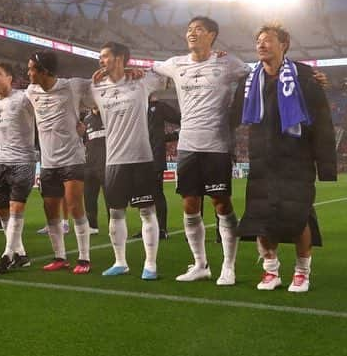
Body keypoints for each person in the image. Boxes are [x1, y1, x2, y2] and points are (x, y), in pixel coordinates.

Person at [232, 22, 337, 293]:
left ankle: (302, 273)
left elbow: (323, 122)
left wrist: (325, 166)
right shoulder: (249, 80)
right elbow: (232, 116)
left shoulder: (305, 77)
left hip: (296, 159)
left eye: (268, 40)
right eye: (258, 41)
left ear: (284, 45)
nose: (261, 45)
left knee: (298, 217)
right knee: (261, 217)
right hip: (262, 160)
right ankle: (271, 270)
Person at [152, 16, 251, 285]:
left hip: (217, 145)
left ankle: (228, 267)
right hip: (187, 145)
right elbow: (150, 66)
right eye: (189, 29)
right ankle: (200, 264)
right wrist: (134, 70)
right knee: (189, 204)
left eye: (198, 29)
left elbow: (255, 73)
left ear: (212, 35)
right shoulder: (175, 64)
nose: (192, 33)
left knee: (221, 203)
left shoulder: (228, 63)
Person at [91, 42, 167, 279]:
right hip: (113, 161)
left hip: (141, 158)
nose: (101, 61)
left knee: (146, 212)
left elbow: (168, 73)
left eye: (105, 56)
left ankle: (151, 265)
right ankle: (120, 262)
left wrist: (136, 69)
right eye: (100, 57)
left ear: (120, 57)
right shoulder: (95, 87)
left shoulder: (141, 81)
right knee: (115, 213)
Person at [26, 51, 96, 274]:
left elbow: (100, 85)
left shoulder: (72, 86)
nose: (28, 73)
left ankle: (84, 258)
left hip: (72, 159)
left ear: (44, 71)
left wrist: (115, 73)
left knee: (75, 207)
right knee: (51, 211)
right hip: (47, 162)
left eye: (31, 69)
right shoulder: (30, 91)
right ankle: (60, 257)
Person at [0, 63, 37, 274]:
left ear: (10, 78)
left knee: (17, 207)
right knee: (1, 211)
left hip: (23, 160)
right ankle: (21, 254)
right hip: (1, 162)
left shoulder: (24, 98)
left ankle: (7, 255)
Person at [130, 97, 180, 242]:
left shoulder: (158, 106)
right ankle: (147, 227)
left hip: (154, 157)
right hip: (137, 157)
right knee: (142, 194)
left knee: (156, 193)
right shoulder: (134, 106)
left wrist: (171, 136)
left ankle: (162, 229)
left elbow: (181, 118)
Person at [82, 107, 106, 236]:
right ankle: (92, 226)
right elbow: (85, 141)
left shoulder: (108, 115)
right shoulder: (86, 119)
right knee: (89, 198)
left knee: (110, 198)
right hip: (89, 165)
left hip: (106, 164)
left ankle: (113, 225)